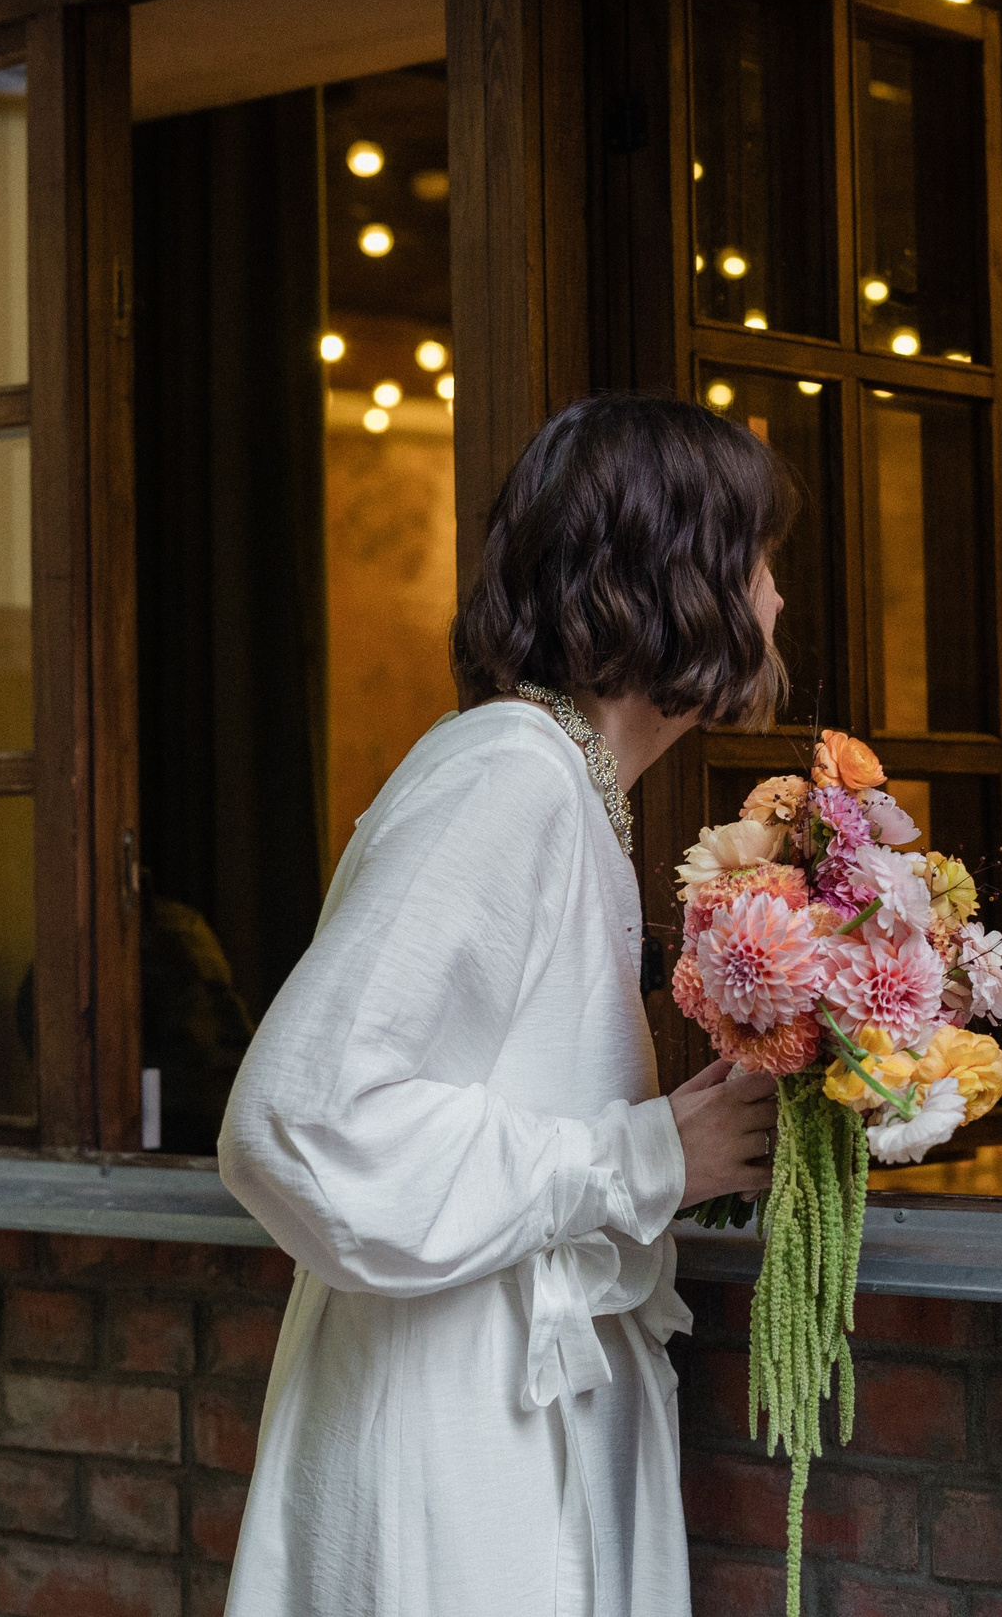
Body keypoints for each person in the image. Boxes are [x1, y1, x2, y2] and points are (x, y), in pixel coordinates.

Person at [215, 395, 790, 1617]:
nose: (779, 597)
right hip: (460, 1433)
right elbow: (297, 1122)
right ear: (679, 575)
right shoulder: (509, 778)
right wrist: (636, 1157)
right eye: (760, 557)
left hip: (517, 1404)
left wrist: (682, 1134)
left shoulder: (564, 785)